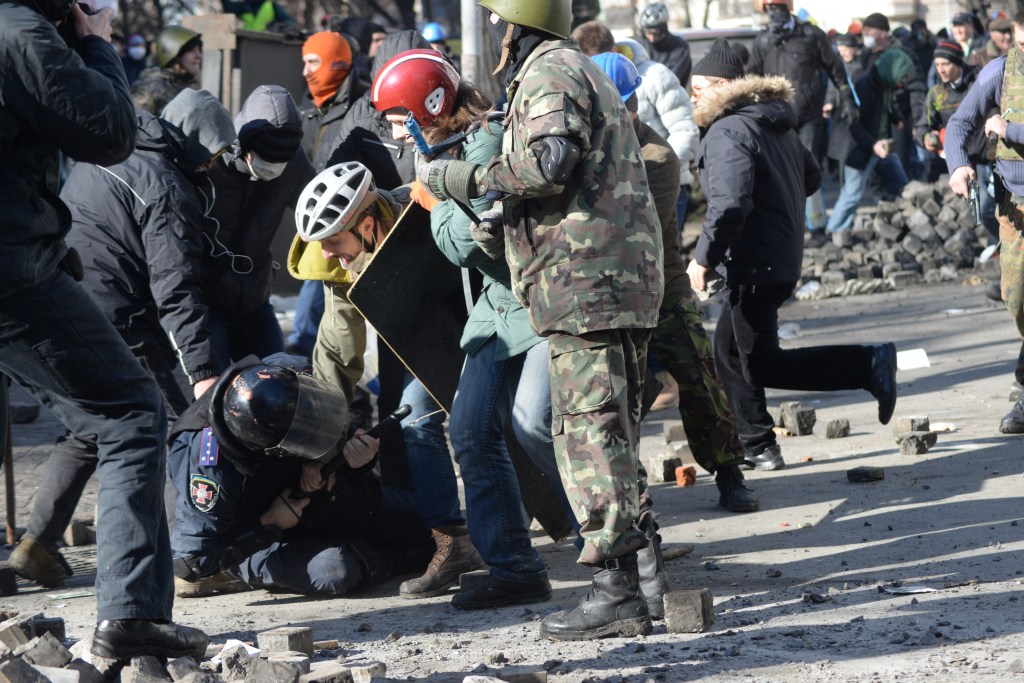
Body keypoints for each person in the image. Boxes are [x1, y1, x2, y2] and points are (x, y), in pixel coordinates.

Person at [419, 0, 664, 640]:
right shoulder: (577, 67)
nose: (495, 32)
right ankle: (646, 577)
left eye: (499, 20)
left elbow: (551, 161)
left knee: (586, 436)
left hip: (585, 282)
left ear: (519, 22)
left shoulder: (551, 70)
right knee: (612, 432)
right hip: (614, 277)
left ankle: (615, 591)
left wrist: (464, 178)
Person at [0, 0, 206, 660]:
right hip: (11, 269)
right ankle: (131, 614)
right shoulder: (17, 28)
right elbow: (112, 130)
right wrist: (95, 45)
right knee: (130, 412)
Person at [8, 88, 235, 593]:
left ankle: (38, 543)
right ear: (198, 146)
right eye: (216, 156)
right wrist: (202, 372)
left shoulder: (110, 152)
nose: (214, 169)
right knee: (181, 427)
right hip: (117, 315)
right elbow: (175, 288)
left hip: (59, 295)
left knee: (90, 425)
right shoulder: (168, 186)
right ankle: (189, 560)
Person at [373, 49, 558, 610]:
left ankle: (614, 527)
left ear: (429, 109)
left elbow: (470, 241)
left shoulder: (481, 145)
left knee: (535, 424)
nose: (399, 137)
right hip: (494, 314)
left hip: (528, 304)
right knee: (471, 430)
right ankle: (514, 565)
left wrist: (435, 202)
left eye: (401, 122)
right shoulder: (450, 149)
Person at [685, 39, 898, 473]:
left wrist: (702, 257)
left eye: (697, 89)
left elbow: (729, 205)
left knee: (759, 362)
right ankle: (758, 442)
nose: (693, 99)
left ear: (722, 87)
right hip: (774, 256)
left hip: (755, 262)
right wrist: (775, 208)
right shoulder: (769, 121)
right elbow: (813, 176)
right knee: (729, 351)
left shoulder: (729, 130)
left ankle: (867, 363)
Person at [289, 160, 486, 599]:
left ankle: (604, 535)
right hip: (427, 341)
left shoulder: (424, 212)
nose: (325, 253)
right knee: (415, 421)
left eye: (333, 241)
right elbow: (337, 351)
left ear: (366, 224)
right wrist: (323, 441)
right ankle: (453, 542)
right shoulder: (341, 259)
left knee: (512, 424)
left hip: (484, 318)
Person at [591, 50, 759, 510]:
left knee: (699, 377)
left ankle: (729, 472)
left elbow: (624, 224)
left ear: (636, 105)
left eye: (623, 104)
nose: (618, 114)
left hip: (660, 283)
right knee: (614, 400)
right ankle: (629, 496)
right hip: (603, 294)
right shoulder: (581, 149)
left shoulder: (658, 157)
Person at [170, 356, 434, 596]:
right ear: (272, 449)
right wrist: (269, 523)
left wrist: (345, 455)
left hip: (322, 500)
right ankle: (235, 574)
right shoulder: (207, 463)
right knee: (336, 570)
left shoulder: (284, 375)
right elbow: (192, 561)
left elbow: (335, 424)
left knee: (436, 525)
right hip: (262, 534)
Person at [945, 9, 1024, 435]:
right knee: (1016, 298)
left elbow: (1004, 129)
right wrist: (958, 166)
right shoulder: (999, 72)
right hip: (1015, 204)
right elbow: (959, 124)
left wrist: (1009, 130)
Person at [205, 85, 314, 368]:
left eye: (281, 162)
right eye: (267, 160)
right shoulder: (214, 161)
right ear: (245, 146)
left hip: (254, 294)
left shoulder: (294, 162)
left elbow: (314, 207)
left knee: (279, 377)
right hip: (207, 296)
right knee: (211, 385)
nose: (274, 167)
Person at [573, 21, 699, 234]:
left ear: (613, 51)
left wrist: (659, 169)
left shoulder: (655, 76)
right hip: (620, 187)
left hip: (661, 183)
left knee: (661, 250)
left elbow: (686, 130)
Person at [748, 0, 855, 234]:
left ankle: (815, 224)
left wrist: (846, 97)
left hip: (807, 116)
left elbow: (835, 67)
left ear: (788, 8)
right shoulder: (763, 41)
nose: (774, 13)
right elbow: (751, 77)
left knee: (806, 166)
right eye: (770, 9)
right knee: (779, 171)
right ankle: (788, 224)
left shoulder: (811, 35)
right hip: (774, 119)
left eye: (778, 7)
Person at [289, 31, 361, 357]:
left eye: (313, 62)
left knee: (320, 310)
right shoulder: (306, 107)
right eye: (304, 62)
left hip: (345, 221)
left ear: (337, 61)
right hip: (311, 217)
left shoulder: (360, 106)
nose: (306, 71)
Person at [826, 50, 916, 233]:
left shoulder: (885, 85)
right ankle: (834, 231)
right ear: (892, 72)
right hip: (859, 148)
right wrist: (873, 145)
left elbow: (886, 107)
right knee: (852, 193)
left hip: (882, 146)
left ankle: (911, 221)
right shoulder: (864, 87)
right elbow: (853, 125)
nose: (904, 81)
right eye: (902, 76)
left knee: (903, 184)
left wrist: (896, 118)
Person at [858, 12, 927, 181]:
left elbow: (917, 88)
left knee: (899, 163)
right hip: (873, 118)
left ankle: (903, 199)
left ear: (882, 33)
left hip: (898, 118)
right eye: (864, 30)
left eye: (869, 30)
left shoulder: (901, 55)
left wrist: (918, 120)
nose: (865, 33)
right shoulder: (865, 55)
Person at [132, 25, 202, 115]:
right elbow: (137, 124)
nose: (198, 56)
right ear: (174, 55)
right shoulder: (152, 88)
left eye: (199, 50)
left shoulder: (185, 84)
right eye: (191, 50)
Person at [635, 2, 691, 89]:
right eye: (648, 33)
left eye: (655, 34)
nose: (652, 38)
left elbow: (672, 79)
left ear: (663, 29)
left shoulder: (680, 47)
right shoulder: (639, 46)